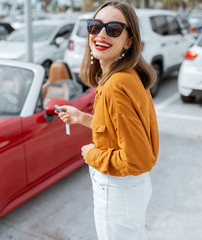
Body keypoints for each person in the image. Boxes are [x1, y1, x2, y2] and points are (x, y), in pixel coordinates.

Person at [56, 1, 159, 239]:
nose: (101, 34)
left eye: (113, 29)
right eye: (95, 26)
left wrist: (91, 154)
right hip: (129, 190)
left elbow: (138, 160)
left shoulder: (115, 85)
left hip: (118, 190)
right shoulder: (126, 76)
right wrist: (81, 117)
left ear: (129, 41)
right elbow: (118, 130)